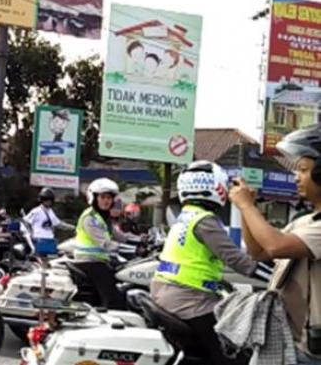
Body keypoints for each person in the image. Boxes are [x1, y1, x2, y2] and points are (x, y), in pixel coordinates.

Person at [151, 161, 269, 365]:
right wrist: (275, 276)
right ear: (215, 187)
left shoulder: (186, 216)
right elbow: (235, 258)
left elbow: (199, 261)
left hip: (171, 292)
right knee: (232, 354)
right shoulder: (204, 220)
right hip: (189, 300)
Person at [230, 125, 321, 364]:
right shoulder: (305, 221)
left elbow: (275, 246)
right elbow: (258, 251)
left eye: (303, 170)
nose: (296, 176)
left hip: (312, 350)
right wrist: (246, 207)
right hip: (291, 338)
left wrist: (247, 207)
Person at [73, 178, 142, 310]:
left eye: (109, 197)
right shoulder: (90, 217)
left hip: (101, 260)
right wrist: (135, 250)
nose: (106, 201)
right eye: (102, 197)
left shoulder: (104, 217)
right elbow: (105, 244)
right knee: (113, 298)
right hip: (89, 262)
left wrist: (142, 240)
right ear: (94, 198)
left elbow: (120, 236)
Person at [24, 187, 75, 256]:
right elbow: (26, 222)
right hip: (39, 240)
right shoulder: (36, 211)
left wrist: (73, 227)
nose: (48, 202)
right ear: (42, 200)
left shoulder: (50, 212)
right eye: (46, 200)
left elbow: (59, 224)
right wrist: (31, 234)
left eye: (49, 200)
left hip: (50, 241)